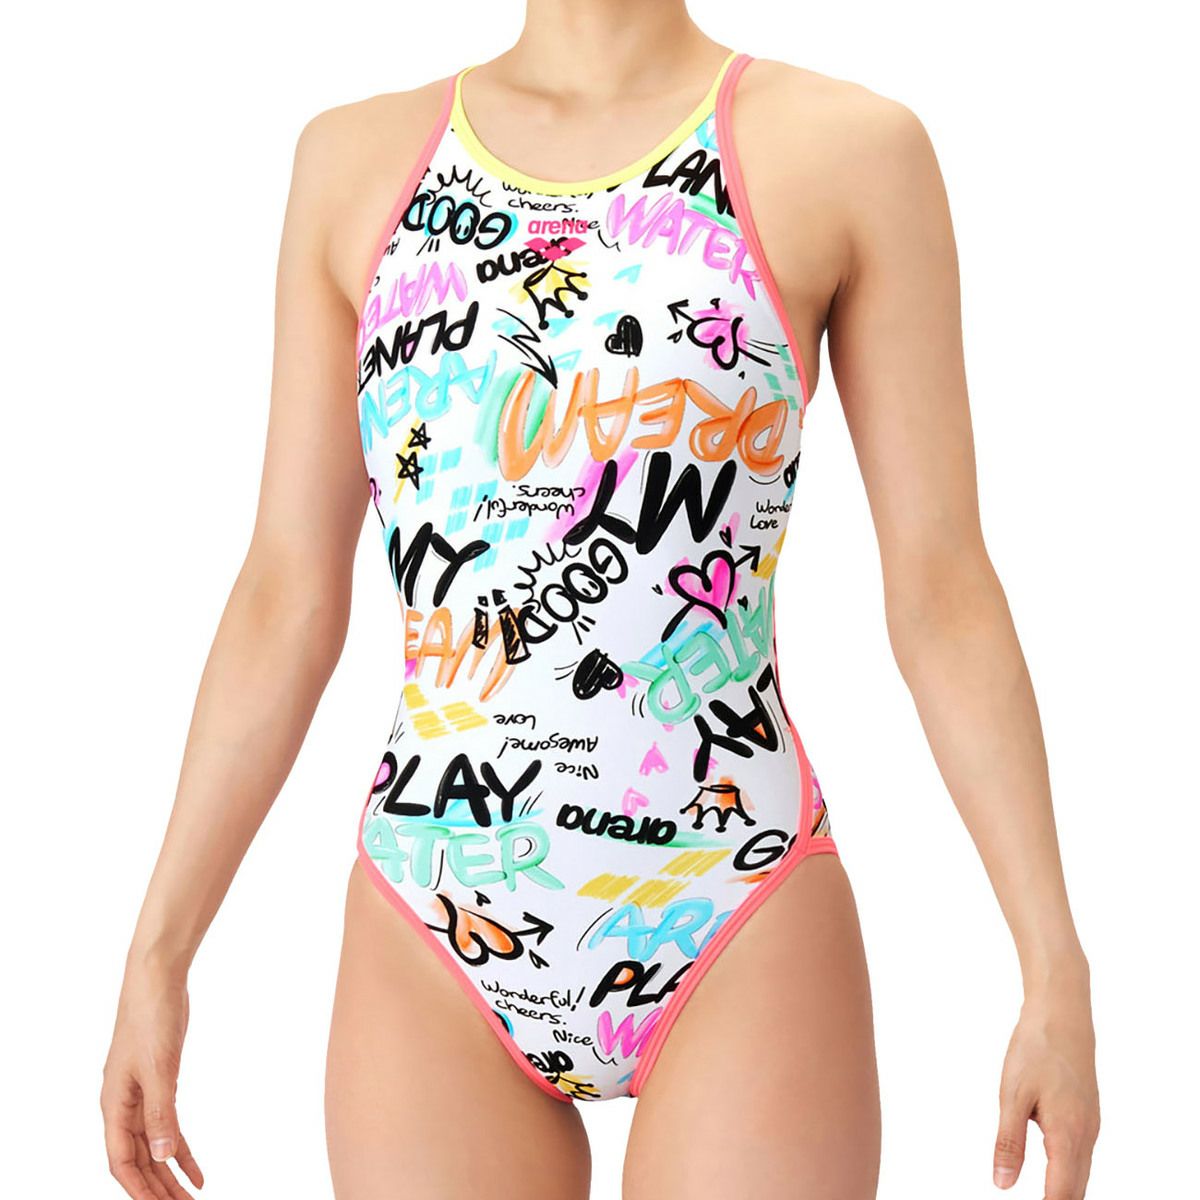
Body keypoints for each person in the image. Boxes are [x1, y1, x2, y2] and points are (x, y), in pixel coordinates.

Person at [100, 5, 1100, 1199]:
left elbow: (942, 590)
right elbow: (285, 593)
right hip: (433, 913)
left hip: (733, 900)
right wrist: (159, 953)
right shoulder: (354, 162)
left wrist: (1055, 965)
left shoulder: (845, 149)